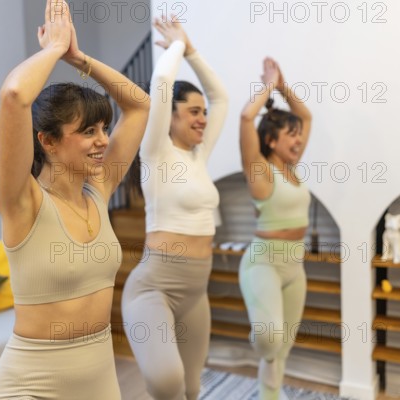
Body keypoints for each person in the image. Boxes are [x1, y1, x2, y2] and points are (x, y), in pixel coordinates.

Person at [0, 1, 150, 398]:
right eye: (88, 131)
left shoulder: (100, 190)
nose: (104, 141)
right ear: (48, 141)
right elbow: (13, 95)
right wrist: (53, 50)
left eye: (105, 128)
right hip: (30, 384)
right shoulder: (23, 202)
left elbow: (140, 104)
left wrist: (80, 58)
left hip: (99, 378)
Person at [121, 17, 228, 400]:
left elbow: (222, 99)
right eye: (194, 112)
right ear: (173, 116)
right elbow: (161, 84)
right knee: (167, 383)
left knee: (192, 389)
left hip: (196, 292)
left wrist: (194, 52)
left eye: (203, 112)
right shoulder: (156, 154)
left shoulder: (200, 157)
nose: (203, 118)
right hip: (154, 288)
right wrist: (177, 46)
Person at [238, 57, 313, 399]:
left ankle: (270, 395)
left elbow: (306, 115)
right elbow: (246, 117)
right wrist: (268, 85)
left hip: (294, 267)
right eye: (291, 135)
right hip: (264, 262)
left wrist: (284, 85)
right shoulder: (261, 172)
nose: (299, 141)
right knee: (270, 338)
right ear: (270, 141)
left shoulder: (292, 170)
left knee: (282, 348)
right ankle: (260, 330)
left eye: (299, 136)